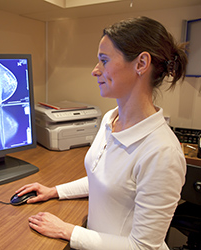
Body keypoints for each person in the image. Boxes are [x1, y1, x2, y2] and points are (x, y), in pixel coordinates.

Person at [15, 16, 188, 249]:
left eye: (104, 60)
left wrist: (67, 230)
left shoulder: (162, 152)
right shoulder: (110, 118)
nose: (95, 71)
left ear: (141, 64)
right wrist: (54, 191)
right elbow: (105, 180)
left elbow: (143, 247)